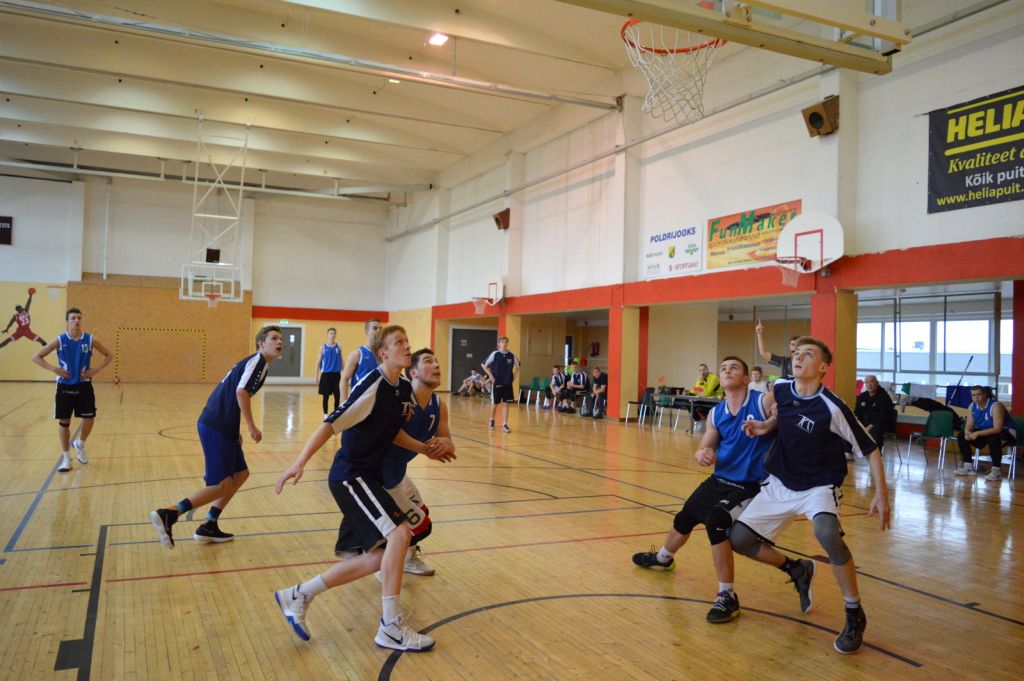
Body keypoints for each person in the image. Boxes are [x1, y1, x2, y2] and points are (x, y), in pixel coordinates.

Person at [272, 325, 450, 652]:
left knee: (376, 559)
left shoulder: (401, 390)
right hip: (351, 475)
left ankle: (299, 594)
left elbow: (394, 433)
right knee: (401, 534)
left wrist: (425, 449)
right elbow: (330, 425)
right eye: (399, 343)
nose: (406, 346)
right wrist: (299, 463)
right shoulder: (372, 384)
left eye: (407, 342)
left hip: (369, 478)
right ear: (383, 353)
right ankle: (391, 627)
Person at [730, 337, 890, 655]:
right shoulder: (781, 389)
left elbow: (870, 448)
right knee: (739, 539)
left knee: (826, 534)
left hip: (818, 485)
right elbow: (783, 416)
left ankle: (854, 612)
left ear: (823, 367)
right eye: (796, 353)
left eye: (808, 354)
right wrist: (765, 426)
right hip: (780, 481)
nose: (798, 358)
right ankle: (797, 569)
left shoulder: (833, 407)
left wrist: (882, 494)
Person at [632, 356, 774, 623]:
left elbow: (785, 406)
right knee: (685, 517)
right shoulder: (716, 413)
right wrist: (702, 453)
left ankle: (727, 595)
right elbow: (705, 445)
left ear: (746, 378)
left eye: (734, 368)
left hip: (750, 484)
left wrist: (769, 422)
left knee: (716, 523)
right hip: (720, 478)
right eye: (723, 368)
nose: (727, 371)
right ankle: (664, 558)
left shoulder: (761, 402)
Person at [149, 326, 283, 547]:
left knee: (240, 474)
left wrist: (235, 429)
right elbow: (241, 392)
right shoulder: (257, 362)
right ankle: (170, 513)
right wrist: (251, 426)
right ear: (261, 343)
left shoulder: (260, 364)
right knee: (220, 485)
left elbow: (233, 394)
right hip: (216, 424)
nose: (279, 342)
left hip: (223, 424)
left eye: (281, 339)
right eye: (274, 338)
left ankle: (209, 525)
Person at [334, 347, 455, 574]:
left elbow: (447, 440)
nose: (437, 365)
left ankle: (401, 559)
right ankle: (383, 564)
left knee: (420, 517)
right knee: (410, 525)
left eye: (437, 361)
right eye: (429, 361)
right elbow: (391, 434)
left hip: (397, 474)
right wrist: (424, 448)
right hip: (375, 474)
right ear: (413, 372)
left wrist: (446, 444)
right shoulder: (400, 398)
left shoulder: (439, 406)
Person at [32, 308, 113, 472]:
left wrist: (96, 369)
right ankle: (66, 458)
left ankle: (80, 444)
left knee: (89, 419)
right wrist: (55, 369)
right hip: (65, 387)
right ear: (67, 321)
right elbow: (36, 357)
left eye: (79, 318)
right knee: (64, 422)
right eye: (73, 318)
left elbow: (109, 355)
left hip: (84, 385)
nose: (76, 321)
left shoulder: (90, 339)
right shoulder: (60, 340)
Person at [954, 385, 1017, 481]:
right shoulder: (972, 406)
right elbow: (969, 425)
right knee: (961, 435)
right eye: (973, 395)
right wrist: (967, 432)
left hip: (1008, 433)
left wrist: (977, 434)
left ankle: (996, 470)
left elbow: (997, 429)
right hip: (986, 432)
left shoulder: (996, 406)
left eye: (978, 394)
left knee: (993, 437)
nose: (976, 397)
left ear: (984, 395)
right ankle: (968, 467)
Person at [482, 336, 519, 432]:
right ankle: (492, 420)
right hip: (497, 382)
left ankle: (505, 424)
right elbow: (483, 365)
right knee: (495, 403)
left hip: (507, 383)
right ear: (499, 344)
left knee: (506, 403)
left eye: (506, 342)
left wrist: (514, 377)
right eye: (502, 342)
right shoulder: (495, 354)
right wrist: (491, 376)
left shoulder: (511, 355)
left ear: (507, 343)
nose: (504, 344)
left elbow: (518, 366)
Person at [340, 318, 383, 401]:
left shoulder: (385, 355)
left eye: (380, 328)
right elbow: (344, 379)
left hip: (379, 402)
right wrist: (344, 403)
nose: (379, 331)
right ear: (367, 332)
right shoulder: (357, 354)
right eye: (375, 328)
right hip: (360, 402)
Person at [854, 375, 896, 455]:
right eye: (867, 382)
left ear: (877, 383)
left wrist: (870, 426)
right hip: (865, 423)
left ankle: (876, 454)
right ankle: (849, 452)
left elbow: (883, 416)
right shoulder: (862, 396)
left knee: (876, 429)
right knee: (850, 425)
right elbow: (857, 413)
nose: (869, 385)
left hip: (881, 424)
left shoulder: (884, 397)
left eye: (872, 382)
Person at [316, 327, 343, 415]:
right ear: (327, 335)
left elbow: (341, 360)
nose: (333, 335)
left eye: (334, 333)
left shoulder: (339, 346)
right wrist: (316, 376)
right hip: (326, 375)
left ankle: (335, 414)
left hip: (336, 375)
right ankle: (325, 415)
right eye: (331, 333)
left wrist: (344, 373)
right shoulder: (322, 347)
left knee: (337, 395)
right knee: (326, 396)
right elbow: (318, 362)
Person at [689, 363, 724, 432]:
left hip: (716, 400)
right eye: (700, 370)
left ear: (707, 370)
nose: (702, 372)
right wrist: (689, 392)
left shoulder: (714, 378)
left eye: (704, 370)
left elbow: (707, 393)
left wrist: (702, 382)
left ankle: (703, 420)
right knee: (689, 403)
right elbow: (696, 389)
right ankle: (700, 420)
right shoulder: (699, 378)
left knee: (696, 406)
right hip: (705, 399)